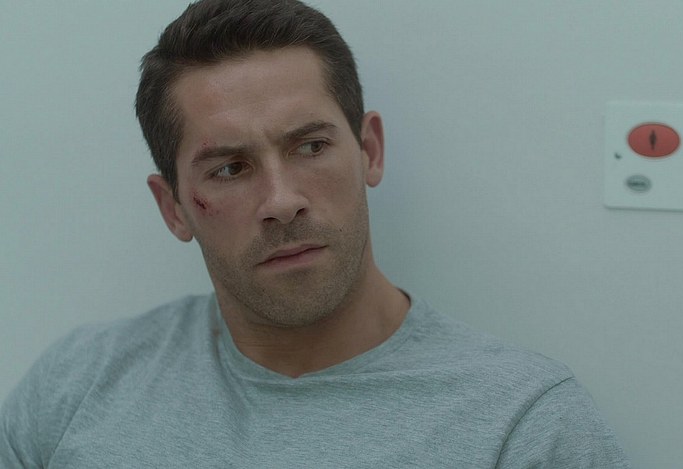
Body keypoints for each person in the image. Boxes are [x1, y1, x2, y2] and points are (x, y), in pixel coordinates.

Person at [0, 0, 630, 467]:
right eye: (230, 168)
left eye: (310, 146)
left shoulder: (522, 425)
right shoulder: (76, 385)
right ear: (174, 209)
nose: (281, 202)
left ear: (369, 151)